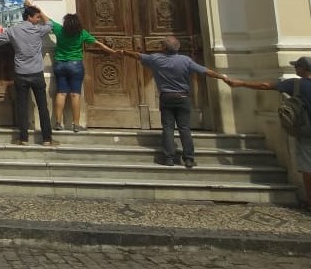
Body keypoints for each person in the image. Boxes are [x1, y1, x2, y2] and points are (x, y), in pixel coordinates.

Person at [121, 36, 229, 168]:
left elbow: (138, 56)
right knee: (184, 128)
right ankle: (189, 158)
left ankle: (169, 158)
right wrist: (222, 77)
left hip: (166, 97)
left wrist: (124, 52)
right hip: (182, 98)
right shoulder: (185, 61)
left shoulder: (156, 59)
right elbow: (205, 71)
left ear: (164, 48)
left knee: (168, 127)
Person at [226, 56, 311, 202]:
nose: (295, 69)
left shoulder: (295, 84)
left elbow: (265, 85)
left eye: (297, 67)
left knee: (308, 168)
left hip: (306, 132)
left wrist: (241, 83)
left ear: (303, 69)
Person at [0, 4, 56, 146]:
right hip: (36, 74)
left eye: (38, 17)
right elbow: (50, 23)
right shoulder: (39, 30)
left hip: (21, 74)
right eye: (36, 17)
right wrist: (40, 10)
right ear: (29, 17)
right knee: (42, 106)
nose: (38, 20)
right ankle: (47, 139)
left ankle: (23, 138)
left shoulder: (13, 30)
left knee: (22, 107)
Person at [40, 12, 117, 132]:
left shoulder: (59, 30)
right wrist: (112, 51)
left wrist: (35, 8)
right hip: (76, 65)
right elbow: (98, 43)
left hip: (60, 64)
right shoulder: (82, 33)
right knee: (75, 94)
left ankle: (58, 123)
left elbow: (47, 19)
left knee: (61, 93)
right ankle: (76, 124)